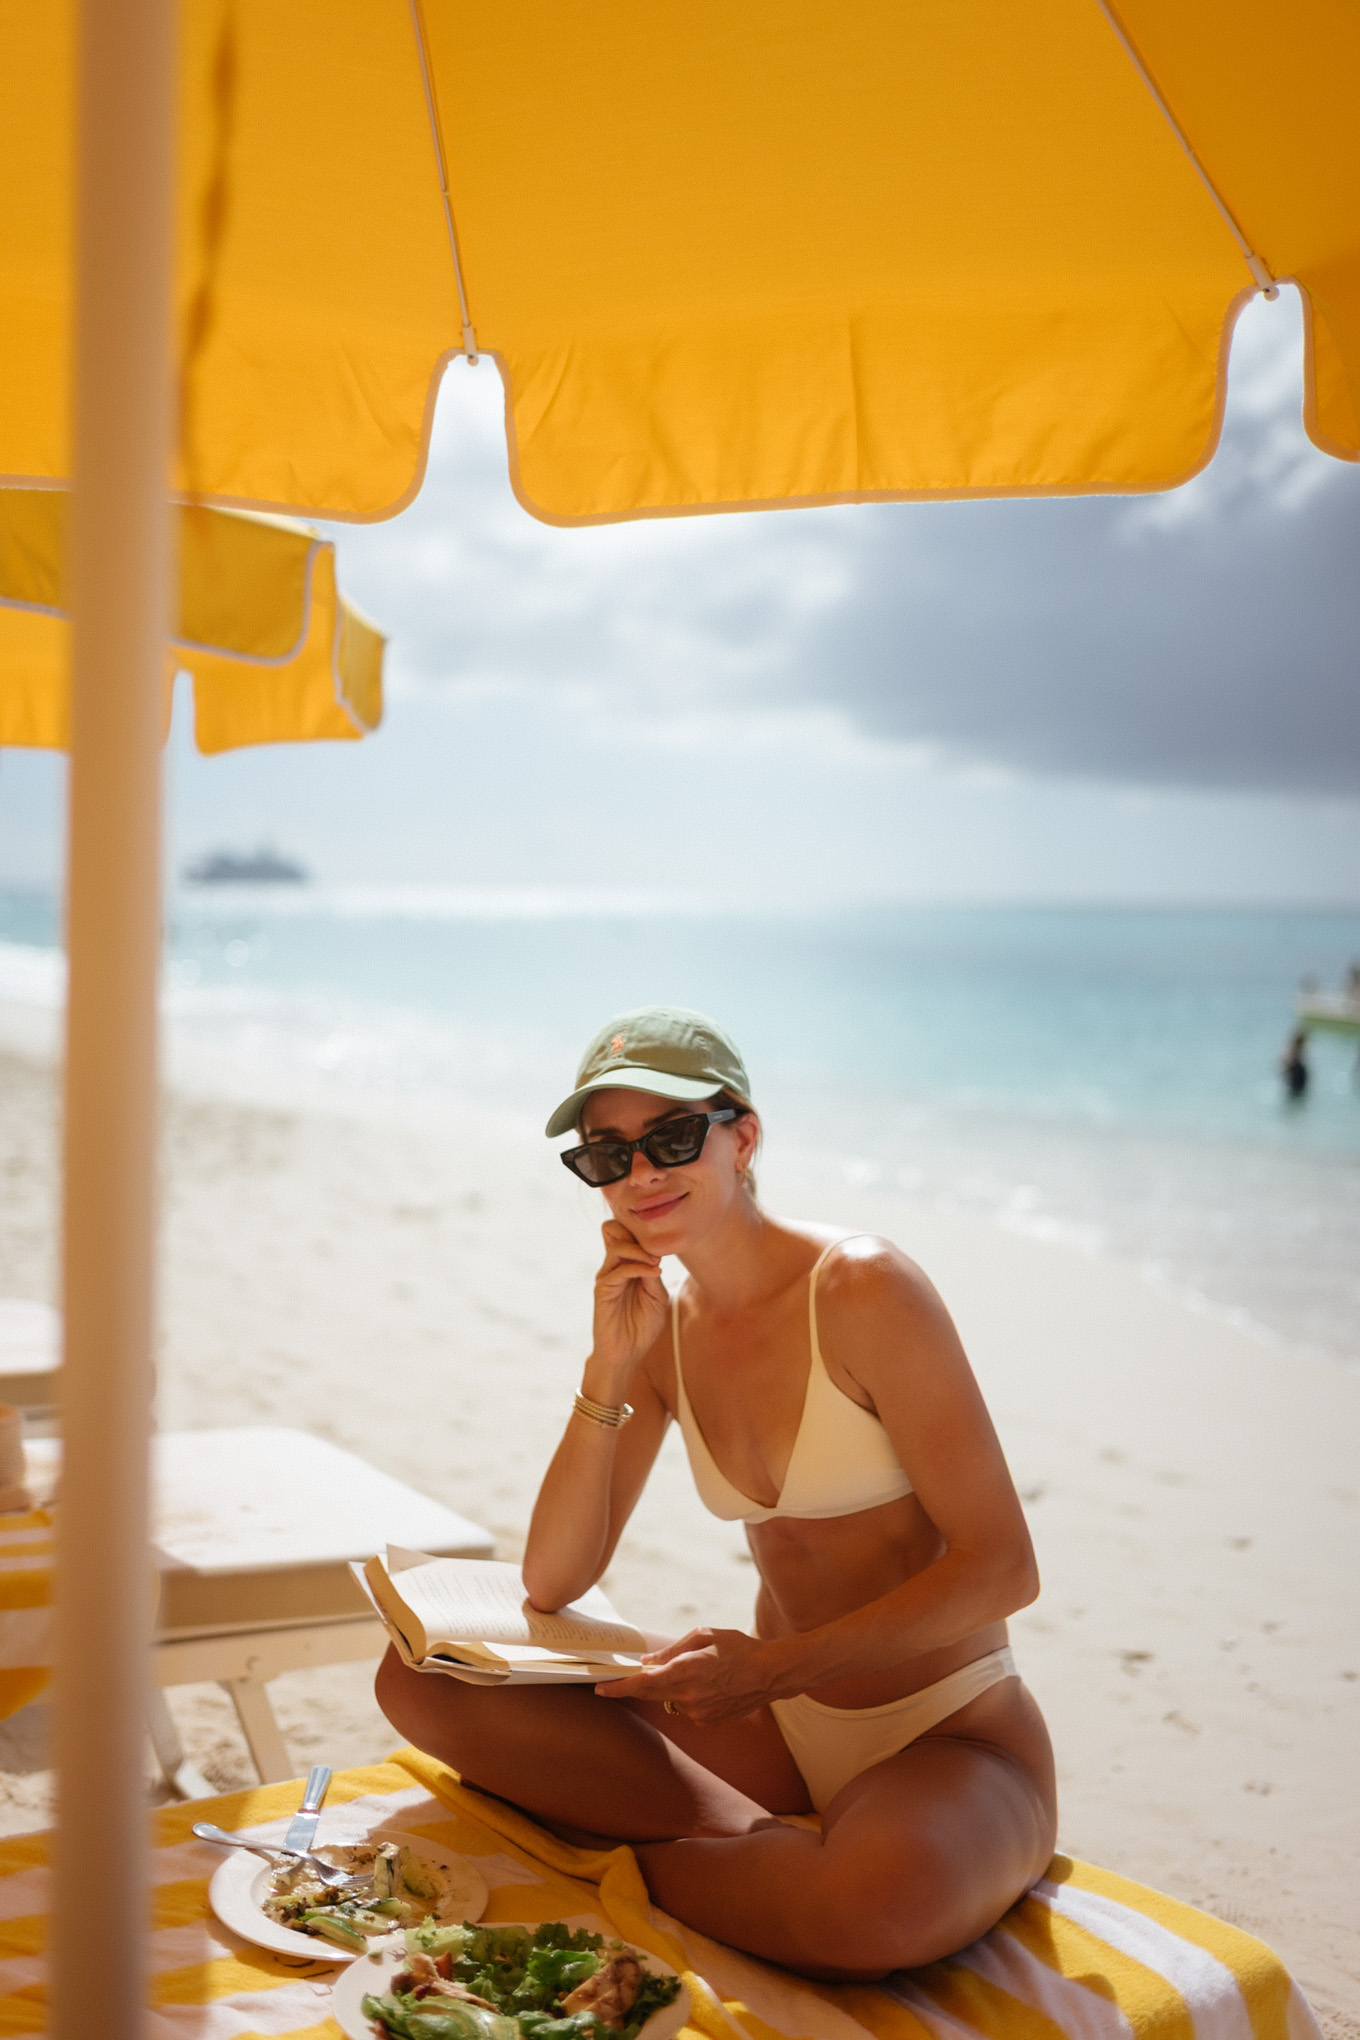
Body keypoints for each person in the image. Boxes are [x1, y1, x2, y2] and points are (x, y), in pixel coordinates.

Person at [377, 1007, 1056, 1980]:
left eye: (671, 1138)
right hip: (773, 1734)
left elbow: (1003, 1568)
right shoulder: (666, 1327)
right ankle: (750, 1849)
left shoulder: (861, 1288)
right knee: (421, 1680)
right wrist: (609, 1367)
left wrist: (773, 1670)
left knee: (870, 1908)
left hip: (950, 1733)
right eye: (608, 1156)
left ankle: (676, 1856)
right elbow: (553, 1575)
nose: (641, 1176)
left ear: (743, 1137)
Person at [1281, 1029, 1309, 1101]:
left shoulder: (1294, 1049)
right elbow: (1285, 1063)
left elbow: (1283, 1063)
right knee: (1296, 1095)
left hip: (1296, 1075)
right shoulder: (1294, 1050)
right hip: (1296, 1075)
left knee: (1295, 1095)